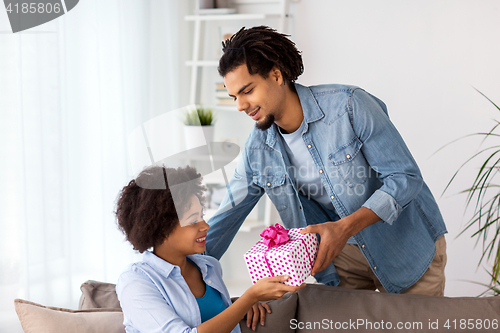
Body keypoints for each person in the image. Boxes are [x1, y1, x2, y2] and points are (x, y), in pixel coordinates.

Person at [206, 26, 448, 296]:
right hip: (342, 261)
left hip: (405, 247)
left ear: (276, 75)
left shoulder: (349, 106)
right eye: (234, 97)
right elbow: (223, 221)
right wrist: (167, 269)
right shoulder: (258, 151)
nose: (240, 105)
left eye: (247, 90)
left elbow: (404, 178)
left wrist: (344, 228)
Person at [115, 165, 304, 333]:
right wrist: (249, 297)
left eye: (202, 216)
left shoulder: (209, 267)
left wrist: (236, 306)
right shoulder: (135, 281)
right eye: (192, 220)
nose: (205, 226)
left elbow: (208, 316)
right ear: (160, 228)